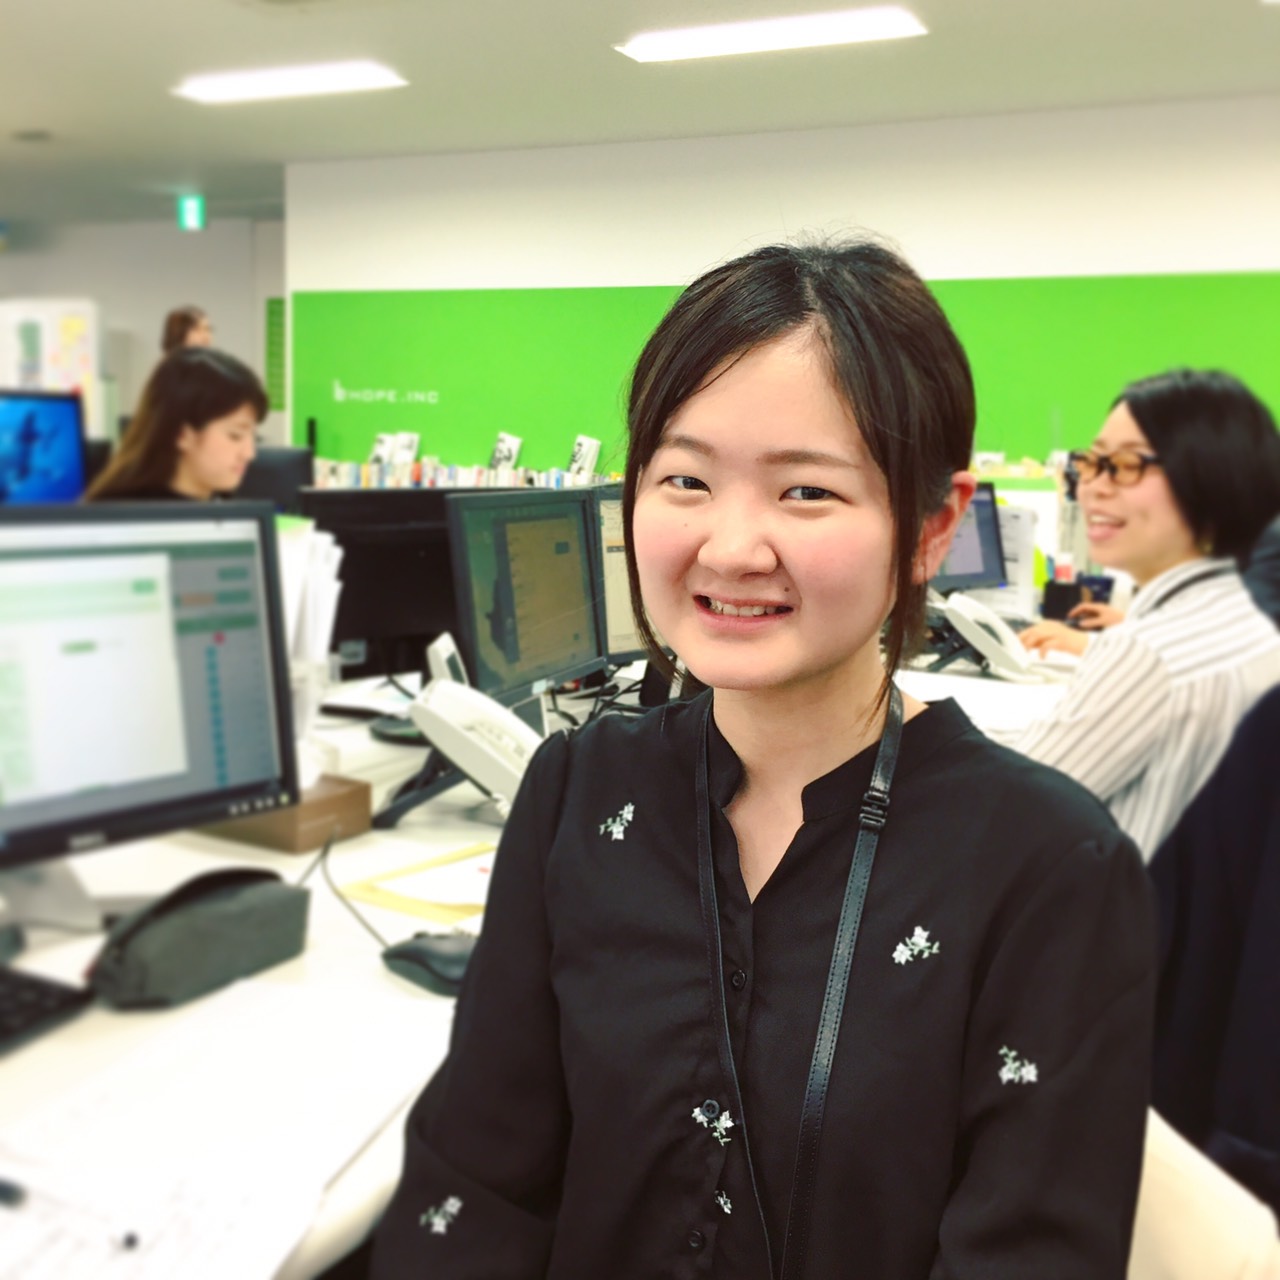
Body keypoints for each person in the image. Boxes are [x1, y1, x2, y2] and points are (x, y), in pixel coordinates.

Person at [370, 239, 1157, 1279]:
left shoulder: (1047, 867)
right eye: (685, 478)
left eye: (805, 493)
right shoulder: (578, 791)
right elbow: (476, 1177)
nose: (731, 547)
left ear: (931, 527)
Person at [1010, 370, 1280, 859]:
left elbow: (1011, 804)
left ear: (1210, 478)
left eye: (1126, 465)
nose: (1092, 488)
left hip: (1126, 903)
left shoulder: (1147, 652)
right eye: (1092, 462)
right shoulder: (1244, 622)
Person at [87, 346, 264, 501]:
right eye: (235, 436)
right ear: (182, 435)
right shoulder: (126, 520)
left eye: (253, 436)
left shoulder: (224, 508)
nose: (249, 454)